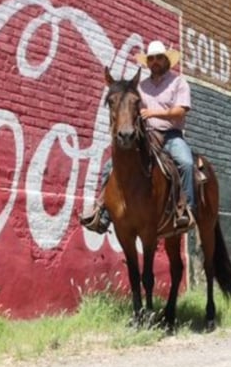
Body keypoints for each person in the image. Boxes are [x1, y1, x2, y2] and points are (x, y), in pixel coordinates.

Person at [81, 40, 196, 234]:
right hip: (146, 135)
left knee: (186, 163)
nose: (155, 62)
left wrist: (154, 114)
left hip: (171, 135)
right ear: (148, 63)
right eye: (151, 59)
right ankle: (104, 212)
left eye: (159, 58)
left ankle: (185, 208)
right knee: (109, 166)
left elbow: (180, 111)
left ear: (166, 60)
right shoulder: (140, 87)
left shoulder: (178, 83)